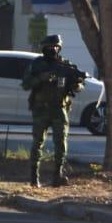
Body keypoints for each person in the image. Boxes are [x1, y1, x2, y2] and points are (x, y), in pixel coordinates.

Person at [22, 34, 84, 188]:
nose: (53, 50)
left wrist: (77, 85)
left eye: (56, 47)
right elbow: (25, 84)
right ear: (44, 49)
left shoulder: (66, 65)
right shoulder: (37, 65)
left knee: (61, 143)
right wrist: (41, 78)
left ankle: (58, 175)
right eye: (50, 47)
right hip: (41, 109)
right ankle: (33, 177)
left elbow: (79, 84)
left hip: (59, 109)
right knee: (37, 143)